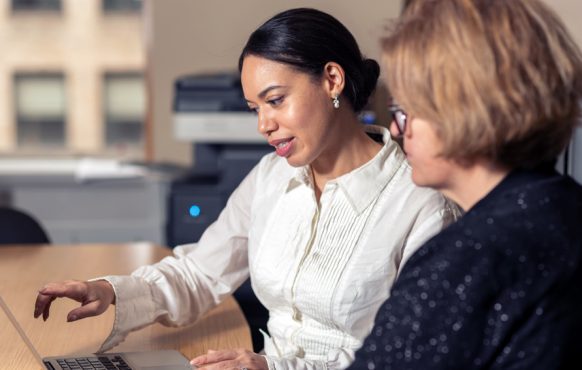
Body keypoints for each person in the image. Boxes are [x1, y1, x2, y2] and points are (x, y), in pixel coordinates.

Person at [34, 8, 455, 370]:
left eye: (276, 100)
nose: (263, 125)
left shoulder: (422, 205)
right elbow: (200, 273)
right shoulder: (271, 176)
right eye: (255, 109)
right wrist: (110, 291)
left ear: (331, 79)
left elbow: (417, 358)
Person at [349, 0, 582, 369]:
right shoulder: (565, 205)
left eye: (403, 112)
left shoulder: (465, 257)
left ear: (460, 111)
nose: (394, 130)